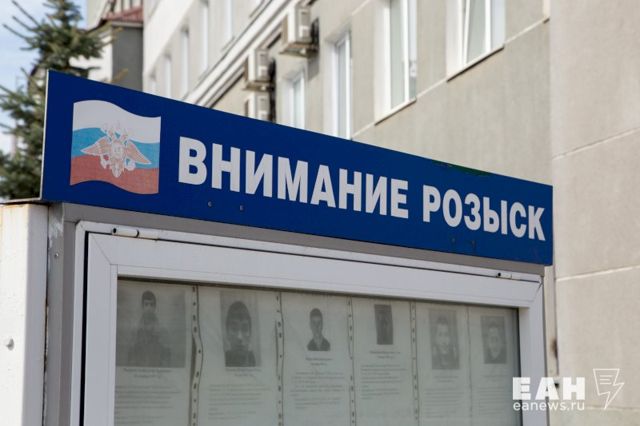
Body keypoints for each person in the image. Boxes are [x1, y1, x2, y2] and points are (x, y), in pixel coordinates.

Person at [128, 290, 171, 367]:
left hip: (157, 371)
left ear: (155, 307)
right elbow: (131, 359)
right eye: (146, 304)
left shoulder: (163, 331)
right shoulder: (135, 331)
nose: (149, 308)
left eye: (152, 305)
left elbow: (167, 359)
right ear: (142, 307)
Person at [225, 301, 256, 367]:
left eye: (245, 329)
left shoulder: (255, 363)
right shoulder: (221, 361)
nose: (240, 337)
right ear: (227, 333)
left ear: (250, 333)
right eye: (234, 329)